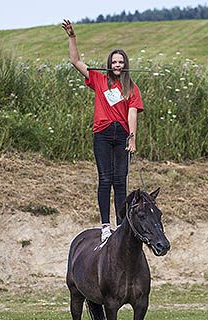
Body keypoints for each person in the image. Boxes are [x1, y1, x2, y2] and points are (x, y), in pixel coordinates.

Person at [62, 19, 144, 242]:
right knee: (105, 179)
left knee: (121, 181)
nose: (117, 65)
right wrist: (72, 36)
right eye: (114, 61)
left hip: (122, 135)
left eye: (121, 62)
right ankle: (105, 224)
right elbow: (75, 61)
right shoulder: (99, 79)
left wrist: (132, 138)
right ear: (109, 64)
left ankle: (120, 224)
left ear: (125, 65)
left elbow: (132, 113)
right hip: (103, 134)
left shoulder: (131, 86)